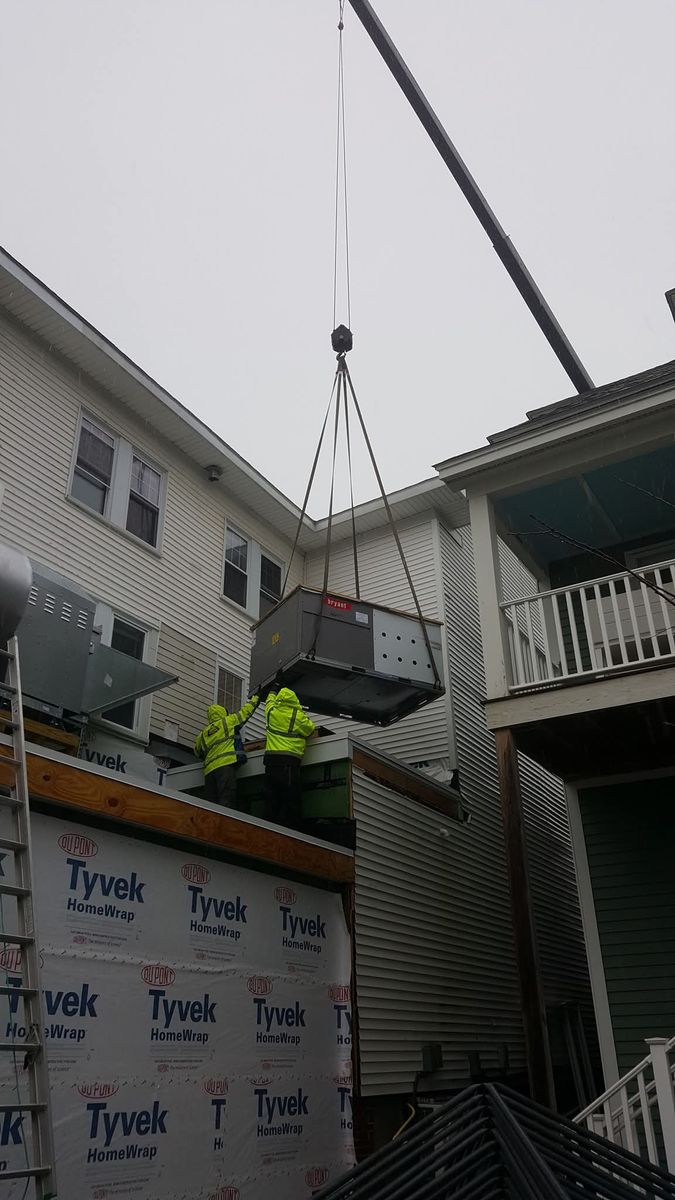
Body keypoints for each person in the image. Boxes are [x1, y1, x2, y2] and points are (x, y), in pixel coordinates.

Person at [194, 693, 259, 808]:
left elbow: (197, 752)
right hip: (225, 767)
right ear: (223, 712)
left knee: (210, 805)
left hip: (209, 772)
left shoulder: (202, 735)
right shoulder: (228, 722)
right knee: (226, 800)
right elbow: (245, 712)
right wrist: (256, 697)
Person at [263, 686, 316, 829]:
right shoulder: (298, 716)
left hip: (271, 763)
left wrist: (273, 691)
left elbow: (268, 702)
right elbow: (310, 729)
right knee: (290, 799)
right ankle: (291, 831)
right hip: (289, 764)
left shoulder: (272, 712)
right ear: (295, 700)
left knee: (271, 798)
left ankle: (269, 828)